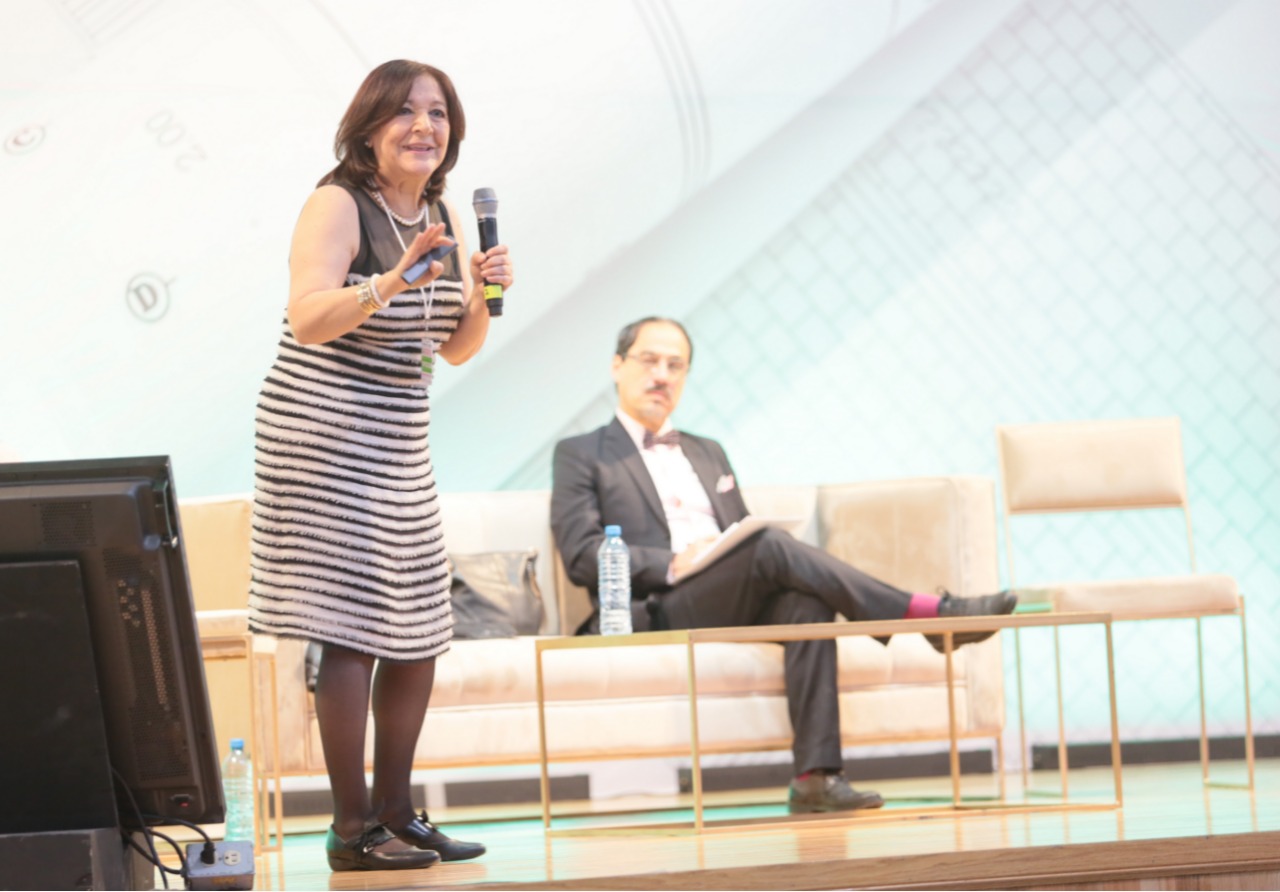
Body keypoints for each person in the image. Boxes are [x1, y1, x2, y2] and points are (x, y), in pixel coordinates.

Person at [550, 317, 1017, 815]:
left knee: (804, 603)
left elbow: (740, 536)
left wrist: (725, 552)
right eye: (649, 360)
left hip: (723, 596)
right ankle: (922, 612)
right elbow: (581, 553)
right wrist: (673, 562)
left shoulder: (708, 452)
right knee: (769, 544)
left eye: (675, 365)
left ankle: (816, 778)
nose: (662, 375)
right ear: (617, 366)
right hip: (657, 607)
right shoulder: (581, 453)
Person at [247, 60, 513, 872]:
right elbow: (308, 318)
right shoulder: (337, 204)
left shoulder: (441, 214)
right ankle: (350, 827)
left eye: (438, 113)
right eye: (404, 111)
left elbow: (454, 349)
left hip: (396, 441)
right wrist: (391, 282)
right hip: (320, 436)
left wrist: (482, 294)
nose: (424, 126)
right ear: (367, 129)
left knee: (418, 629)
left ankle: (397, 813)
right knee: (355, 628)